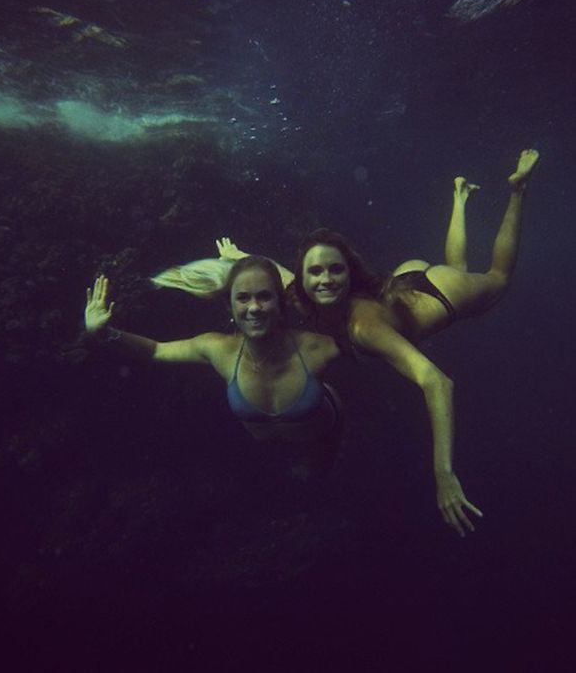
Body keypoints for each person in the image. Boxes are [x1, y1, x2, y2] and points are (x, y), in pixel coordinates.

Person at [151, 149, 539, 536]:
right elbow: (277, 273)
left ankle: (517, 190)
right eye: (315, 272)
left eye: (336, 271)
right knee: (457, 266)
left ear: (349, 273)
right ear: (302, 279)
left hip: (438, 296)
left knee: (497, 278)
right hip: (400, 286)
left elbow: (437, 381)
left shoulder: (364, 331)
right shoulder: (302, 295)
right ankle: (460, 196)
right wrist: (242, 256)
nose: (325, 281)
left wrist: (444, 473)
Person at [85, 256, 344, 478]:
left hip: (320, 438)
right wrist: (105, 333)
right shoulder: (219, 350)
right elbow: (156, 350)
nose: (254, 308)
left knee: (320, 476)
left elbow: (367, 342)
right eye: (243, 298)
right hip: (262, 452)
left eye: (264, 296)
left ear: (280, 302)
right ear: (229, 305)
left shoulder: (315, 348)